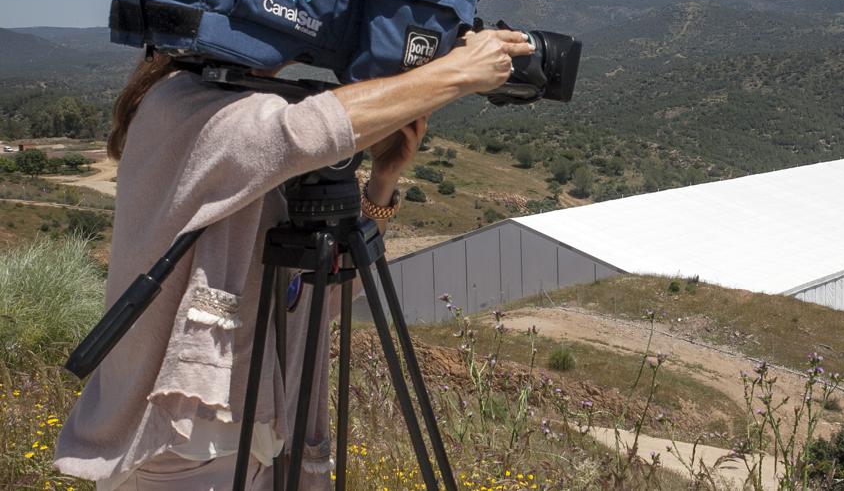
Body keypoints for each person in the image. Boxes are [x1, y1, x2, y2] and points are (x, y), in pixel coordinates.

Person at [53, 28, 534, 490]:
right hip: (181, 450)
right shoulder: (185, 103)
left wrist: (381, 182)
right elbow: (298, 131)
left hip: (256, 443)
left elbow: (321, 295)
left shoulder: (239, 111)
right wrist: (455, 73)